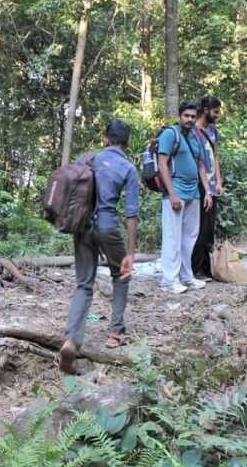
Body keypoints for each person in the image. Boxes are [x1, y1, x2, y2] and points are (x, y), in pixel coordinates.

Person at [59, 120, 140, 374]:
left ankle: (71, 339)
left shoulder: (87, 157)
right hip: (108, 227)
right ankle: (115, 332)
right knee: (121, 275)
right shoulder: (127, 168)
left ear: (105, 139)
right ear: (126, 143)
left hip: (82, 227)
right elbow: (131, 213)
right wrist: (130, 252)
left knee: (84, 284)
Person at [158, 101, 213, 294]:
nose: (189, 119)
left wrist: (207, 191)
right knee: (172, 237)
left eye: (192, 116)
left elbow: (200, 165)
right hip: (176, 192)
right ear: (180, 116)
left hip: (193, 193)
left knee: (189, 237)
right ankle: (169, 280)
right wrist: (172, 193)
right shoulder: (170, 134)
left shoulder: (195, 137)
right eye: (186, 116)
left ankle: (186, 276)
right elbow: (162, 163)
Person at [192, 95, 224, 280]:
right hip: (198, 185)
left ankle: (206, 268)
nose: (217, 115)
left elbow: (216, 157)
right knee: (199, 228)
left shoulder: (213, 131)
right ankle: (195, 268)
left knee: (209, 228)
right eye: (215, 112)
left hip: (212, 185)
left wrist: (219, 182)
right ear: (205, 110)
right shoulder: (192, 131)